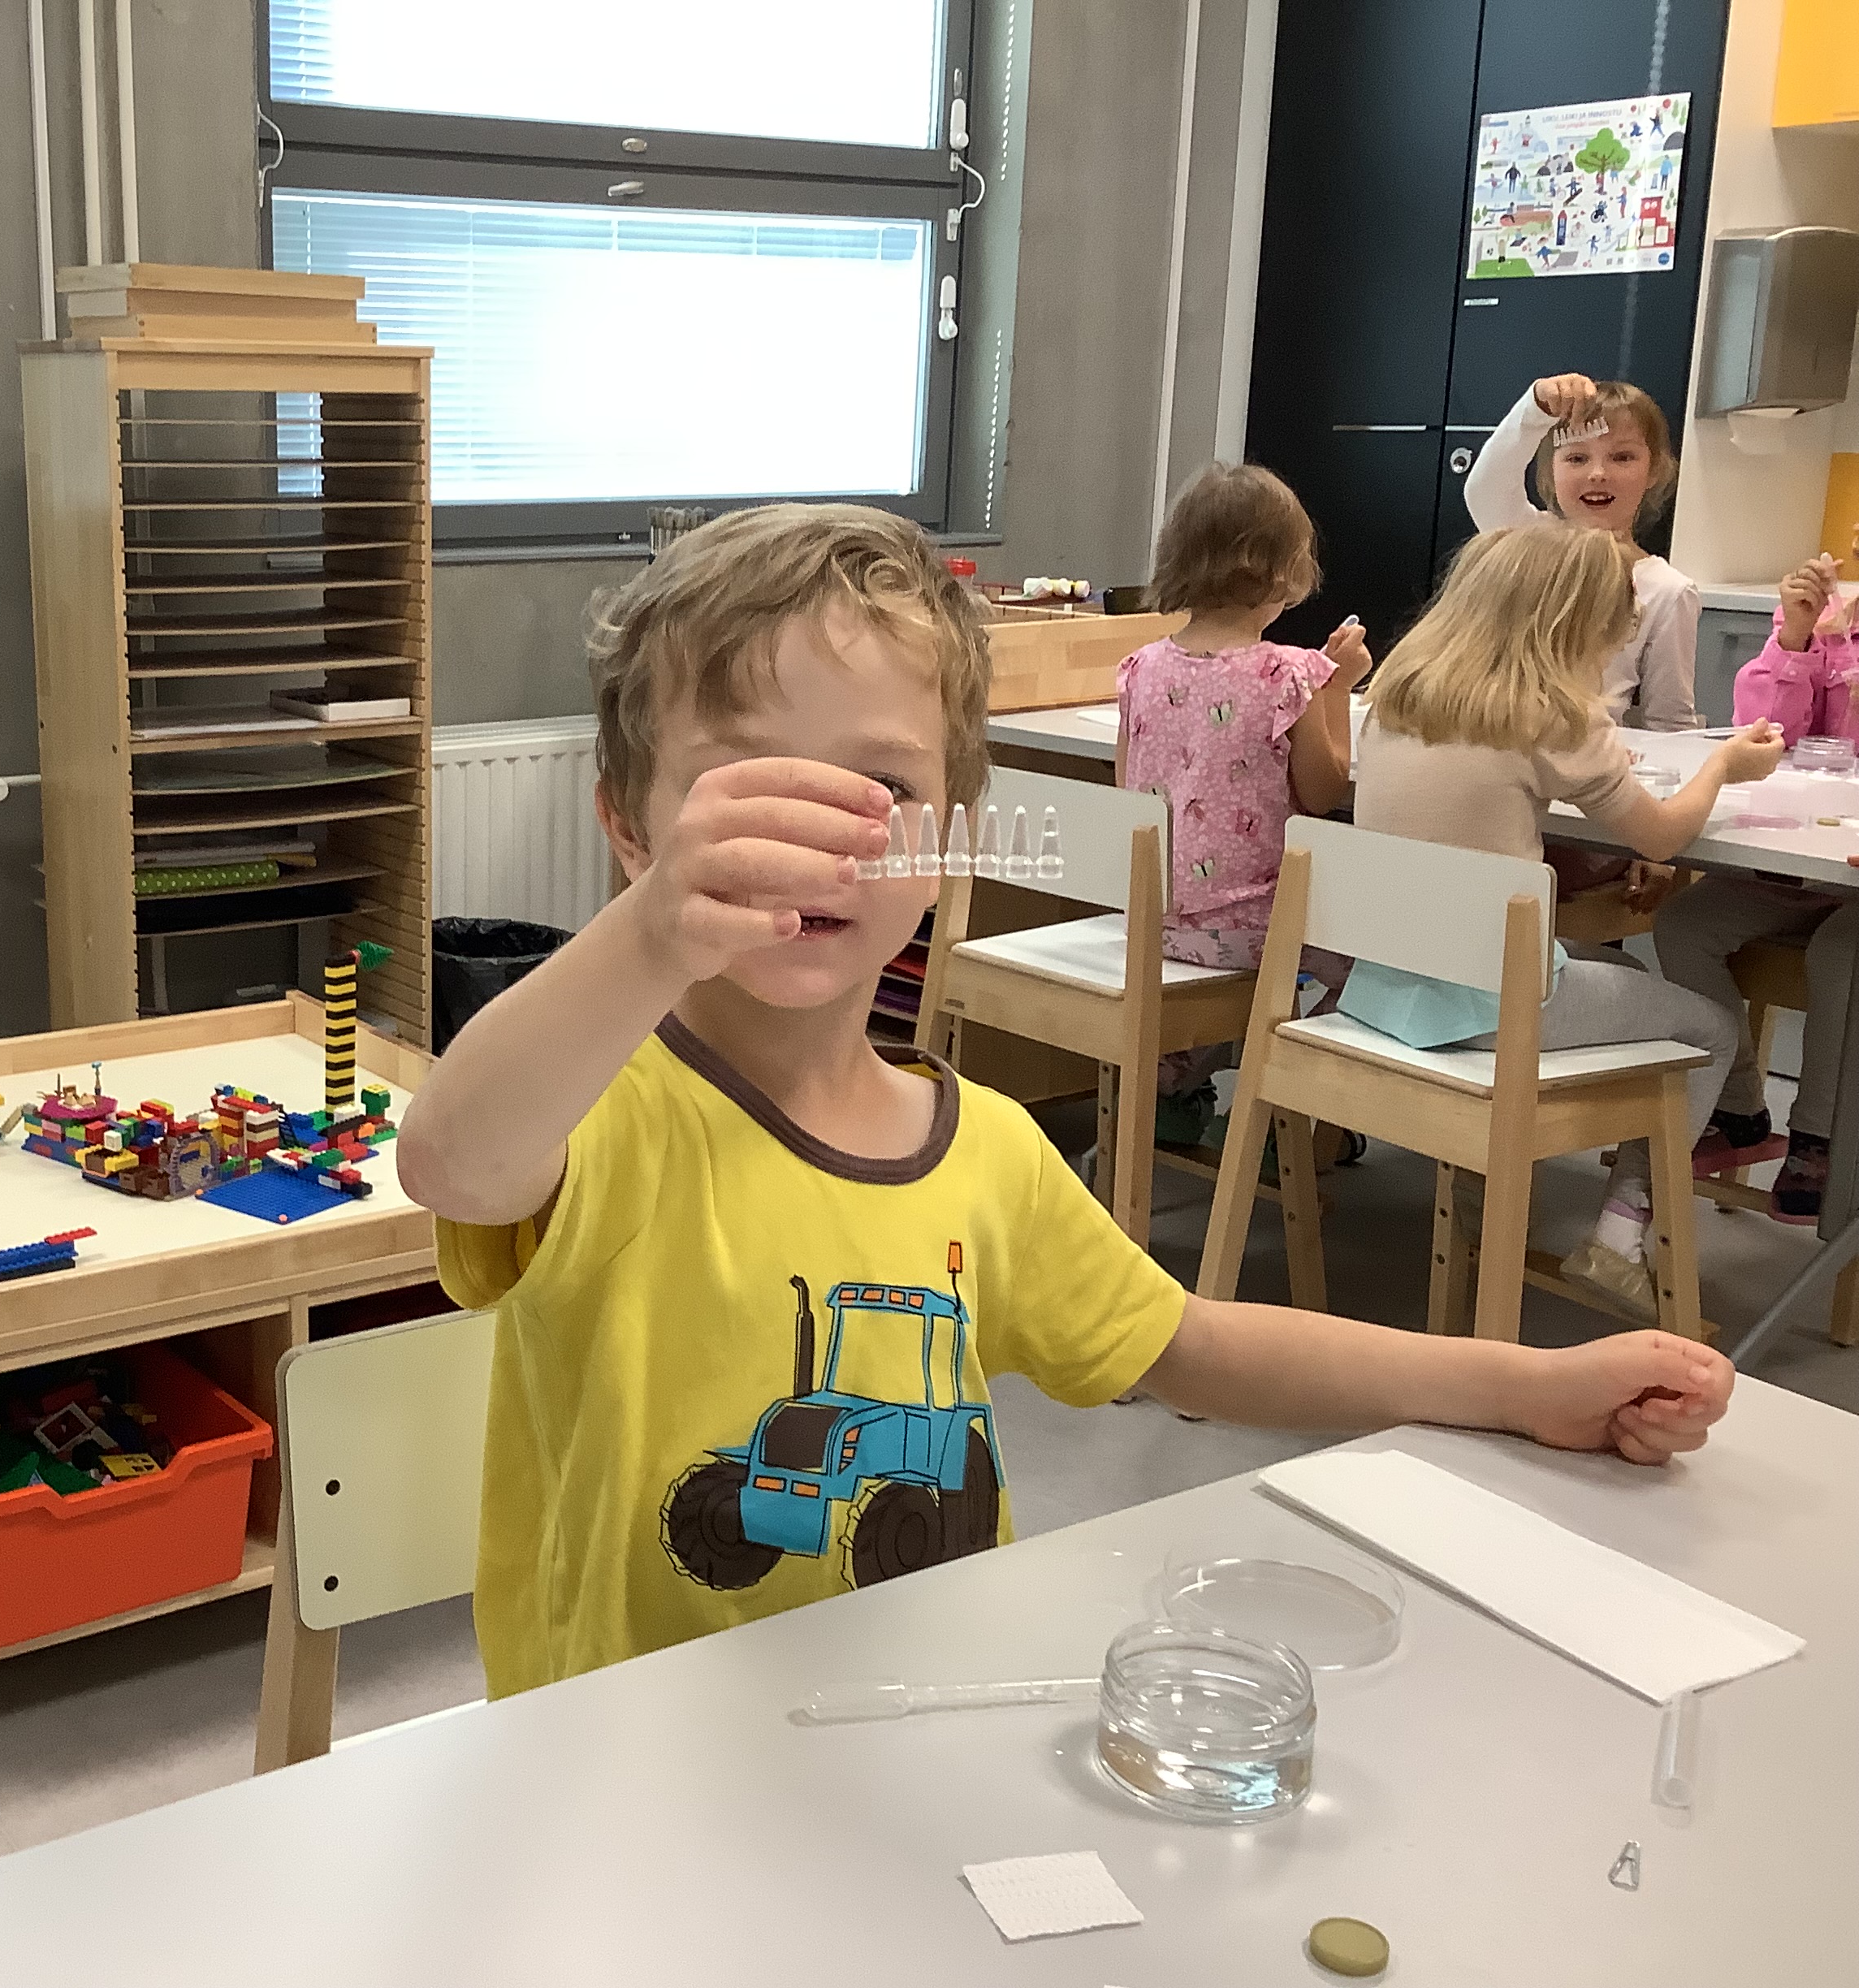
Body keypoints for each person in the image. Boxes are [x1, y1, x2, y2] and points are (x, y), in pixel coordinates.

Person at [394, 503, 1736, 1698]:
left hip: (902, 1727)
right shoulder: (603, 1104)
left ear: (951, 834)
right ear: (631, 827)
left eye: (882, 787)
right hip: (629, 1771)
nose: (819, 835)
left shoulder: (981, 1149)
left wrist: (1522, 1385)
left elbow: (1194, 1345)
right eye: (743, 789)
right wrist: (644, 934)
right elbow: (455, 1159)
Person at [1346, 523, 1782, 1313]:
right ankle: (1620, 1238)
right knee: (1711, 1028)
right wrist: (1722, 763)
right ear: (1575, 625)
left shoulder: (1394, 700)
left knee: (1616, 968)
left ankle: (1491, 1197)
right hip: (1493, 1008)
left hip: (1388, 990)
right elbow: (1661, 837)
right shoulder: (1555, 716)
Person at [1118, 463, 1365, 1143]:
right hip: (1255, 930)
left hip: (1154, 920)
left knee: (1236, 976)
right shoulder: (1290, 673)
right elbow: (1324, 792)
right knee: (1376, 969)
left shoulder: (1140, 668)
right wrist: (1337, 689)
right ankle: (1280, 1118)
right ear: (1282, 571)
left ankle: (1174, 1089)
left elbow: (1126, 791)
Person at [1653, 530, 1859, 1221]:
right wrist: (1794, 639)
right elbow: (1765, 734)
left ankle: (1819, 1138)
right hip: (1808, 858)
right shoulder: (1832, 625)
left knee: (1842, 954)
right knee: (1685, 924)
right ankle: (1736, 1103)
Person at [1464, 370, 1698, 732]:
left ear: (1653, 470)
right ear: (1551, 472)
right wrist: (1535, 410)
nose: (1598, 473)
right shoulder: (1529, 541)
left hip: (1587, 757)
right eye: (1576, 458)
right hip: (1492, 741)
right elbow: (1485, 490)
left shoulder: (1668, 591)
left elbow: (1670, 722)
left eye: (1622, 457)